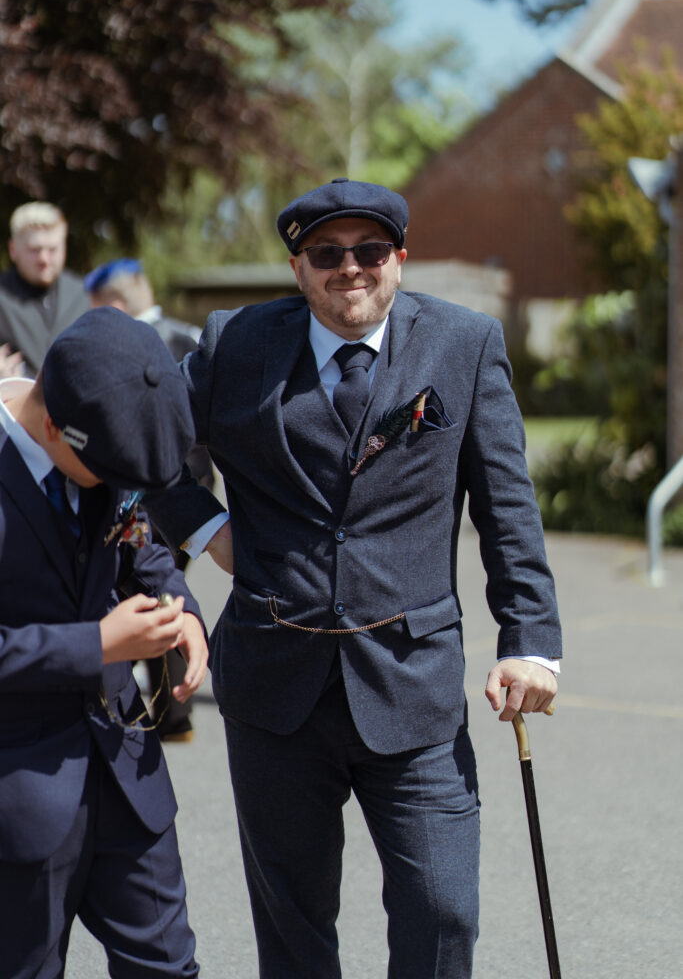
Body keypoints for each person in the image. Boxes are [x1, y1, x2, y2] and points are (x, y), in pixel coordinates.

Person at [146, 178, 563, 978]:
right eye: (326, 254)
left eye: (370, 251)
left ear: (398, 259)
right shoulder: (234, 343)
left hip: (412, 683)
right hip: (274, 686)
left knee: (444, 910)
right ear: (298, 269)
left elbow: (508, 507)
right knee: (294, 930)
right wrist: (208, 531)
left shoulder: (463, 343)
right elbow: (154, 452)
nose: (350, 269)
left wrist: (530, 642)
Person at [0, 306, 208, 978]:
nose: (117, 487)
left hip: (127, 771)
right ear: (53, 426)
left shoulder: (103, 434)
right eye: (105, 471)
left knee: (169, 968)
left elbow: (144, 551)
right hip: (18, 791)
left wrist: (187, 616)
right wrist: (96, 644)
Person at [84, 258, 215, 743]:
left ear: (114, 307)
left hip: (161, 495)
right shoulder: (192, 336)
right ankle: (171, 712)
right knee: (157, 592)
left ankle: (168, 710)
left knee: (148, 594)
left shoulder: (130, 345)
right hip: (193, 493)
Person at [0, 201, 89, 378]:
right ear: (13, 249)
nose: (44, 259)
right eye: (34, 249)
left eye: (52, 249)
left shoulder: (84, 294)